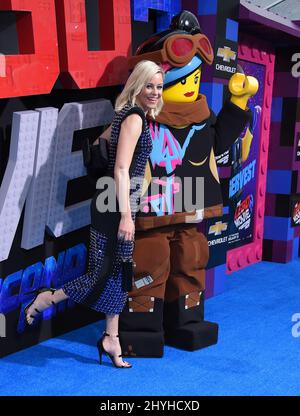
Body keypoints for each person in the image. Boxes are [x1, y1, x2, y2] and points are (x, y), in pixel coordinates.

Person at [24, 60, 164, 368]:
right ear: (138, 86)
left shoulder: (125, 115)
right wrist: (126, 215)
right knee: (104, 275)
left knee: (117, 275)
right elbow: (122, 168)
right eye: (149, 86)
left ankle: (111, 339)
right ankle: (48, 298)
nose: (154, 92)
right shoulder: (135, 118)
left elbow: (101, 146)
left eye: (159, 87)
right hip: (116, 208)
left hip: (112, 202)